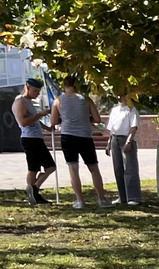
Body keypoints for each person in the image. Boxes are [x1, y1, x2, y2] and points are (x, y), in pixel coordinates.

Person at [50, 79, 109, 209]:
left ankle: (79, 200)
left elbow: (53, 121)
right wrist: (86, 118)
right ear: (76, 85)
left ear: (64, 86)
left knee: (73, 169)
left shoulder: (58, 101)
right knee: (94, 168)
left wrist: (64, 118)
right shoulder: (85, 100)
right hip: (85, 136)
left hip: (68, 137)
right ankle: (102, 199)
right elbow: (97, 119)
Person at [13, 77, 55, 206]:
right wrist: (40, 114)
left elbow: (34, 119)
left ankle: (34, 189)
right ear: (27, 87)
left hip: (37, 138)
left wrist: (47, 128)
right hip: (29, 139)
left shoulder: (29, 102)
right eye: (35, 91)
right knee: (34, 168)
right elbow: (23, 122)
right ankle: (33, 194)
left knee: (50, 166)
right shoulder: (20, 101)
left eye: (39, 91)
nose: (37, 94)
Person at [105, 99, 142, 206]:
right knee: (118, 169)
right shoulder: (115, 110)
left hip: (126, 139)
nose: (120, 97)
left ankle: (134, 197)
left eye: (122, 95)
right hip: (115, 139)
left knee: (129, 169)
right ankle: (123, 197)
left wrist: (129, 141)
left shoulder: (132, 109)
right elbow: (112, 129)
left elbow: (134, 127)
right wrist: (109, 143)